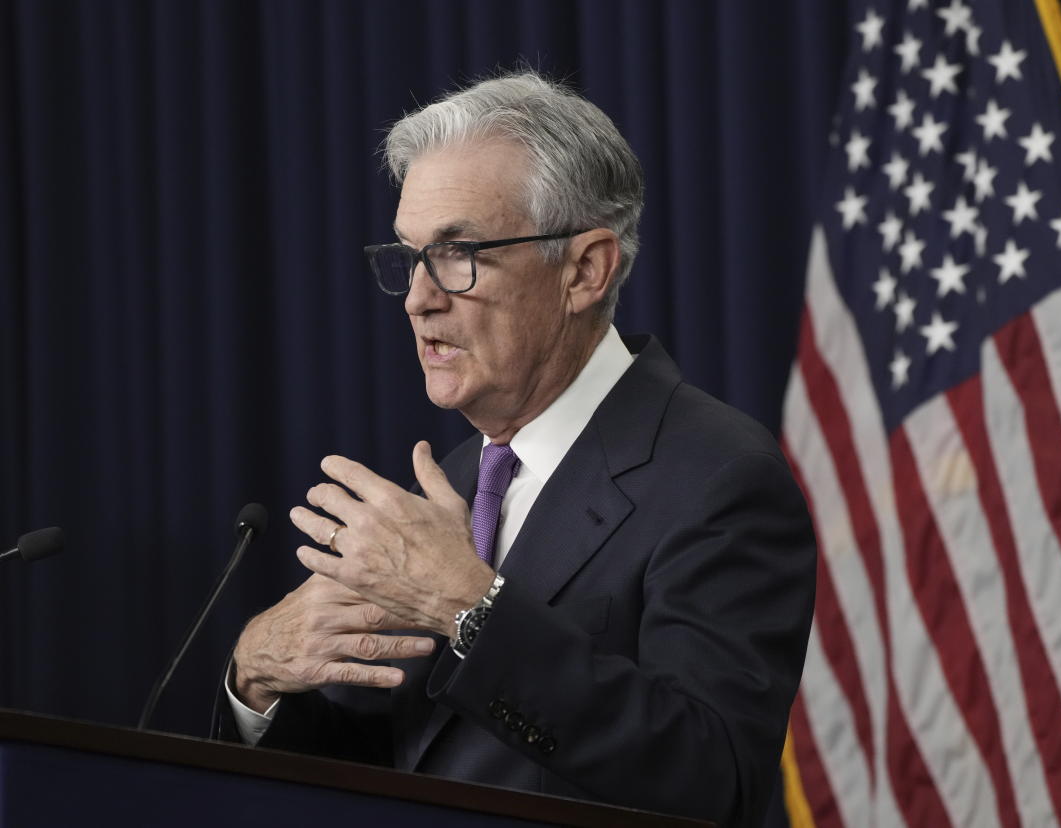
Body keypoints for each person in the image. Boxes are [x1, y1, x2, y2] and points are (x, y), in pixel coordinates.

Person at [218, 71, 816, 827]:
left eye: (460, 252)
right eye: (410, 256)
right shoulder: (458, 486)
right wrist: (258, 677)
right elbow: (390, 761)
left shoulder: (718, 475)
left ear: (584, 270)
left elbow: (710, 775)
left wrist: (468, 606)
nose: (418, 298)